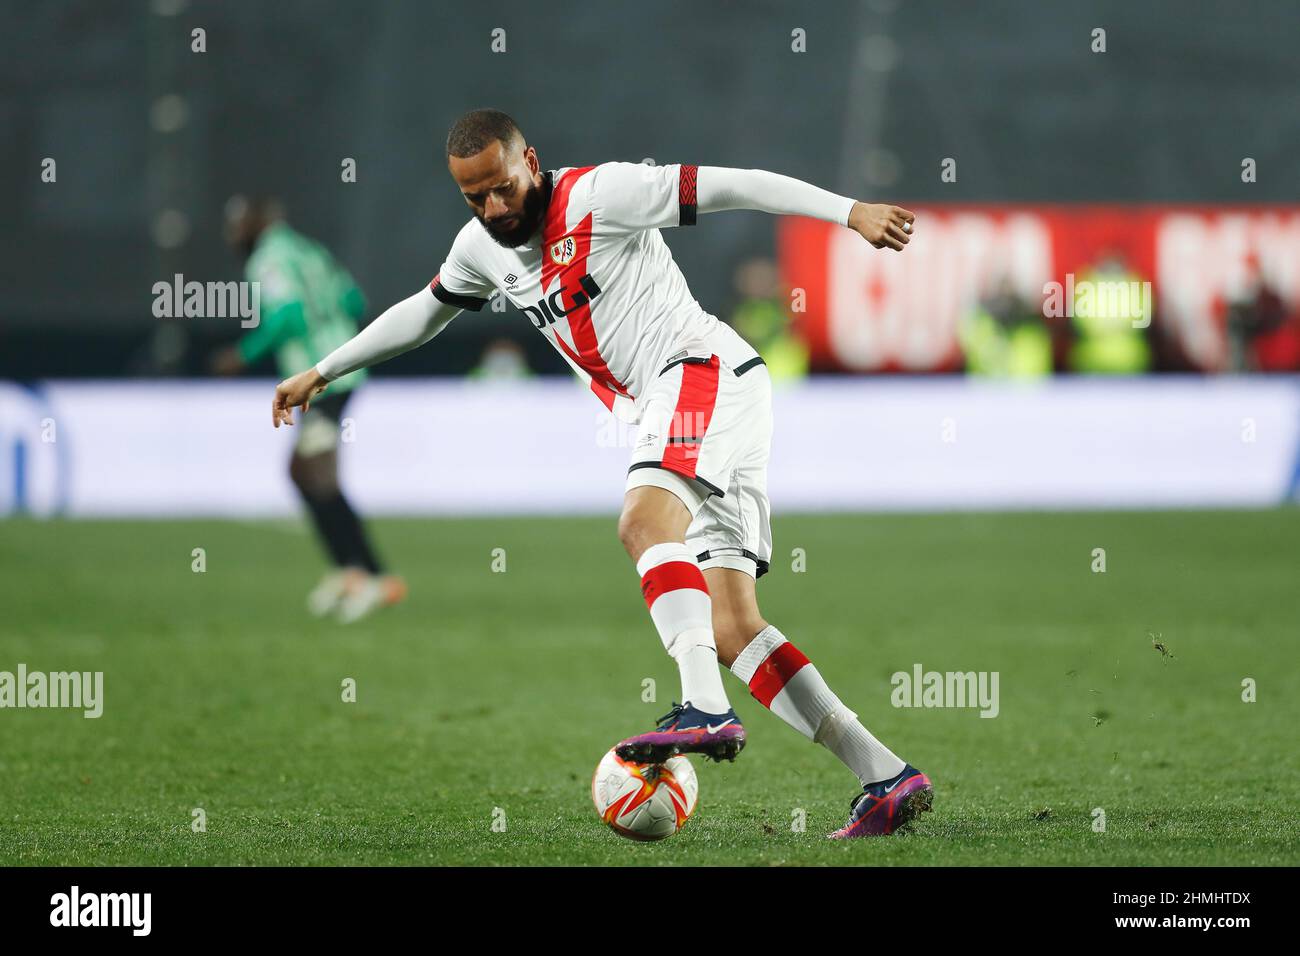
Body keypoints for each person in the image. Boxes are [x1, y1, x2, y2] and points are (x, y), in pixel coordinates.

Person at [270, 109, 929, 836]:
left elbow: (733, 185)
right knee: (735, 628)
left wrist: (850, 212)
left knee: (644, 524)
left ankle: (706, 709)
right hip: (703, 397)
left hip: (701, 369)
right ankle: (886, 778)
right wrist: (325, 370)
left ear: (531, 163)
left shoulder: (602, 196)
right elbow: (423, 314)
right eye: (475, 198)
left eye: (502, 187)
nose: (494, 208)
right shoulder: (479, 249)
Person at [215, 195, 405, 623]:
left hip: (322, 377)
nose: (233, 235)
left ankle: (372, 575)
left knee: (314, 474)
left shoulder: (268, 260)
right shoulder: (309, 250)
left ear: (258, 224)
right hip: (342, 369)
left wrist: (243, 356)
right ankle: (351, 569)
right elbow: (353, 299)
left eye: (238, 225)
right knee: (307, 473)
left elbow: (288, 315)